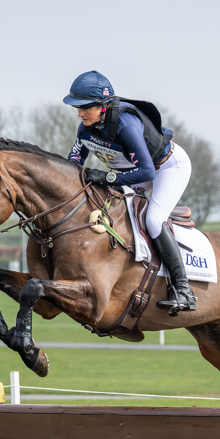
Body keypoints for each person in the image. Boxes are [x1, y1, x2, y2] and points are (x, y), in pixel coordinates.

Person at [62, 70, 196, 313]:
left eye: (85, 107)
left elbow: (147, 171)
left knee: (153, 219)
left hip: (167, 167)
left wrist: (107, 177)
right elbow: (74, 165)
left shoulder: (126, 125)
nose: (80, 113)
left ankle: (184, 290)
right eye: (78, 107)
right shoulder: (86, 129)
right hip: (135, 171)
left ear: (103, 106)